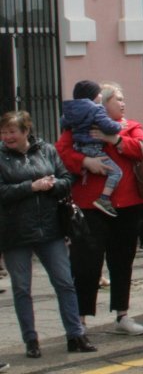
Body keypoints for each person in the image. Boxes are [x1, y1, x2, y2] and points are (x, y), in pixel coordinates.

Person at [56, 82, 143, 335]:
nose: (122, 103)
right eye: (116, 99)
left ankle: (122, 315)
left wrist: (115, 139)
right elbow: (62, 152)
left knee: (122, 261)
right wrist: (85, 161)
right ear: (102, 102)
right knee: (86, 264)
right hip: (90, 205)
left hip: (127, 204)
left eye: (122, 98)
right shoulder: (78, 125)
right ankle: (81, 320)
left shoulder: (131, 126)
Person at [0, 110, 96, 358]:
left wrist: (53, 185)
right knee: (22, 288)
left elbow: (67, 179)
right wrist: (30, 187)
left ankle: (76, 335)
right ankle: (31, 341)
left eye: (12, 132)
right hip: (15, 232)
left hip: (50, 229)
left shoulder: (46, 150)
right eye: (3, 132)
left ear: (25, 131)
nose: (6, 137)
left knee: (65, 282)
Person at [59, 80, 124, 218]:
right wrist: (119, 128)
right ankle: (104, 199)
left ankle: (62, 191)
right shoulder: (96, 109)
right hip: (92, 148)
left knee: (73, 176)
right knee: (116, 172)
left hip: (78, 146)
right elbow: (108, 126)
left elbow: (63, 123)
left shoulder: (71, 110)